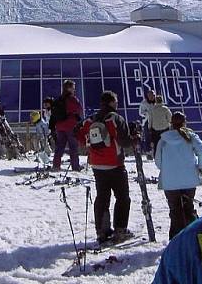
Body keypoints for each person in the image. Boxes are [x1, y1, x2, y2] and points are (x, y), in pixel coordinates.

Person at [78, 90, 134, 244]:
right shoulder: (115, 118)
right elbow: (125, 142)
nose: (117, 103)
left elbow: (79, 133)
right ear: (111, 102)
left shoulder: (91, 119)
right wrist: (135, 139)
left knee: (102, 198)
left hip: (97, 164)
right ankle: (120, 230)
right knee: (122, 198)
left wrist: (90, 148)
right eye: (116, 101)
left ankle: (102, 231)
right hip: (115, 164)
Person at [155, 111, 202, 239]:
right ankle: (192, 237)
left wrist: (166, 169)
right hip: (189, 179)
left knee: (175, 210)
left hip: (170, 182)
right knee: (188, 208)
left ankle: (175, 238)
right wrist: (200, 167)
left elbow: (157, 161)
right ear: (185, 122)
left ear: (171, 123)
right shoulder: (190, 136)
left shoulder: (164, 139)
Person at [51, 79, 83, 171]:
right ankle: (75, 166)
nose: (74, 90)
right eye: (73, 88)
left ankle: (56, 165)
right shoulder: (72, 99)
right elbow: (79, 110)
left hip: (60, 126)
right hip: (70, 126)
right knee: (73, 147)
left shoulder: (59, 99)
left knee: (60, 146)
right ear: (69, 88)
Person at [138, 88, 156, 157]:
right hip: (147, 121)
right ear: (147, 96)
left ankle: (156, 150)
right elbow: (140, 112)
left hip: (156, 120)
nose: (151, 97)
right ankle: (148, 151)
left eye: (153, 95)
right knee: (147, 135)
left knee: (156, 135)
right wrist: (147, 114)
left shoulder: (157, 102)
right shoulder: (144, 103)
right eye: (150, 95)